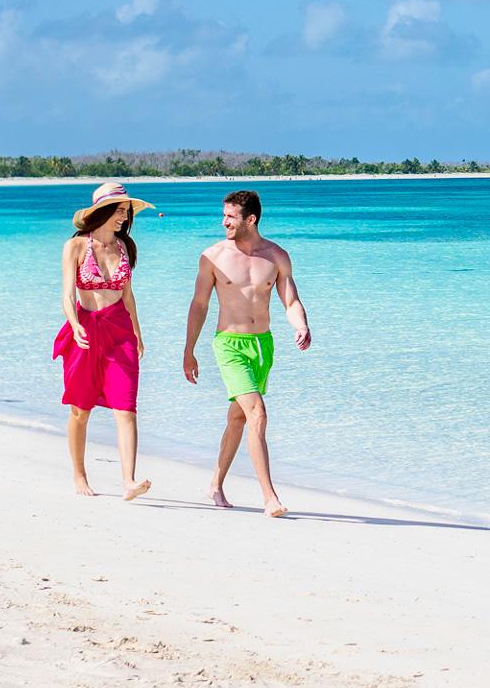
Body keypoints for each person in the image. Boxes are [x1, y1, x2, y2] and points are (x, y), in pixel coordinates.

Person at [183, 188, 311, 517]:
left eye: (230, 217)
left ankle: (215, 484)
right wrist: (189, 350)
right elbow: (199, 305)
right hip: (229, 344)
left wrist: (301, 325)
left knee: (238, 418)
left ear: (250, 220)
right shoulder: (213, 256)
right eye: (223, 215)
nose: (223, 221)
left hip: (262, 344)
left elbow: (290, 300)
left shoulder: (277, 256)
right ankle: (270, 498)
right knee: (258, 414)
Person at [55, 180, 157, 500]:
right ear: (103, 211)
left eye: (126, 211)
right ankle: (79, 474)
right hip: (85, 330)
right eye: (120, 210)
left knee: (126, 407)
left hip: (119, 331)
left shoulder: (124, 248)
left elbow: (128, 294)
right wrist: (73, 325)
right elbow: (67, 295)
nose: (124, 217)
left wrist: (138, 333)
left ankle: (128, 480)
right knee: (80, 409)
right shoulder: (75, 247)